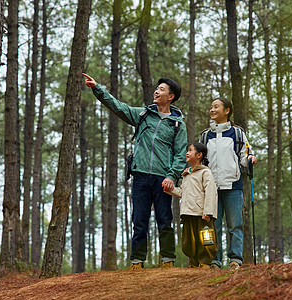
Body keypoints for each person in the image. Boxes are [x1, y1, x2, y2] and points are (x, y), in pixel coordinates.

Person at [82, 73, 187, 270]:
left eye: (162, 89)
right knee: (139, 220)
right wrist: (98, 89)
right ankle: (137, 262)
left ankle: (168, 260)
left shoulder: (177, 124)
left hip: (163, 179)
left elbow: (181, 154)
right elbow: (118, 107)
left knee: (164, 220)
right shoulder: (143, 115)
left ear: (171, 96)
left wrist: (171, 176)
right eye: (157, 88)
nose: (156, 91)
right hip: (139, 176)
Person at [199, 97, 257, 270]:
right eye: (211, 107)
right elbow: (200, 161)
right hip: (211, 189)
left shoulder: (238, 133)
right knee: (212, 226)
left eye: (216, 107)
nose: (212, 110)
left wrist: (250, 159)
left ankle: (235, 260)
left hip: (233, 186)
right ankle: (214, 261)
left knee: (235, 225)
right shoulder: (205, 135)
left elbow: (244, 155)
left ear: (227, 110)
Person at [165, 142, 218, 269]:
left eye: (190, 150)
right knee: (189, 241)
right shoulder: (186, 174)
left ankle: (205, 263)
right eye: (187, 150)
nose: (187, 153)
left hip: (202, 214)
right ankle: (194, 263)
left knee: (206, 239)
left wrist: (208, 212)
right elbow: (182, 192)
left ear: (199, 155)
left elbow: (211, 192)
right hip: (188, 212)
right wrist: (169, 189)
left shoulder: (205, 172)